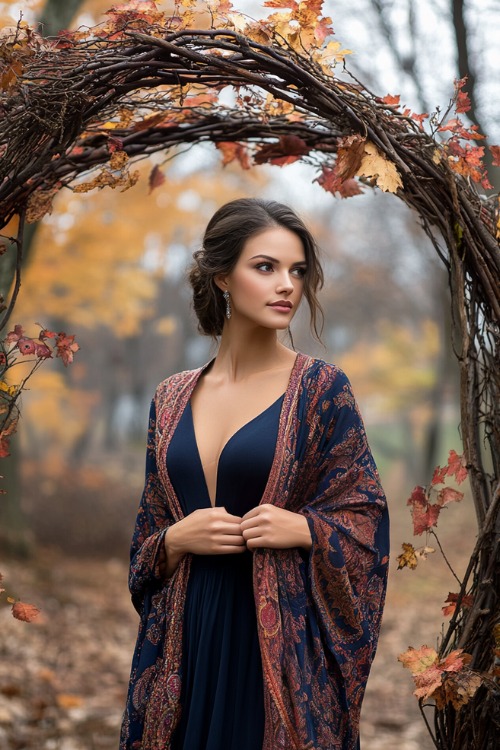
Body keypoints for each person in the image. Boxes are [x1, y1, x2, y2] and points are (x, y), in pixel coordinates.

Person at [119, 198, 389, 750]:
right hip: (185, 637)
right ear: (222, 275)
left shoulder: (321, 390)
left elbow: (366, 518)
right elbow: (148, 531)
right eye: (265, 267)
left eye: (297, 271)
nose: (286, 285)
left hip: (275, 644)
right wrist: (173, 541)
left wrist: (308, 529)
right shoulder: (170, 397)